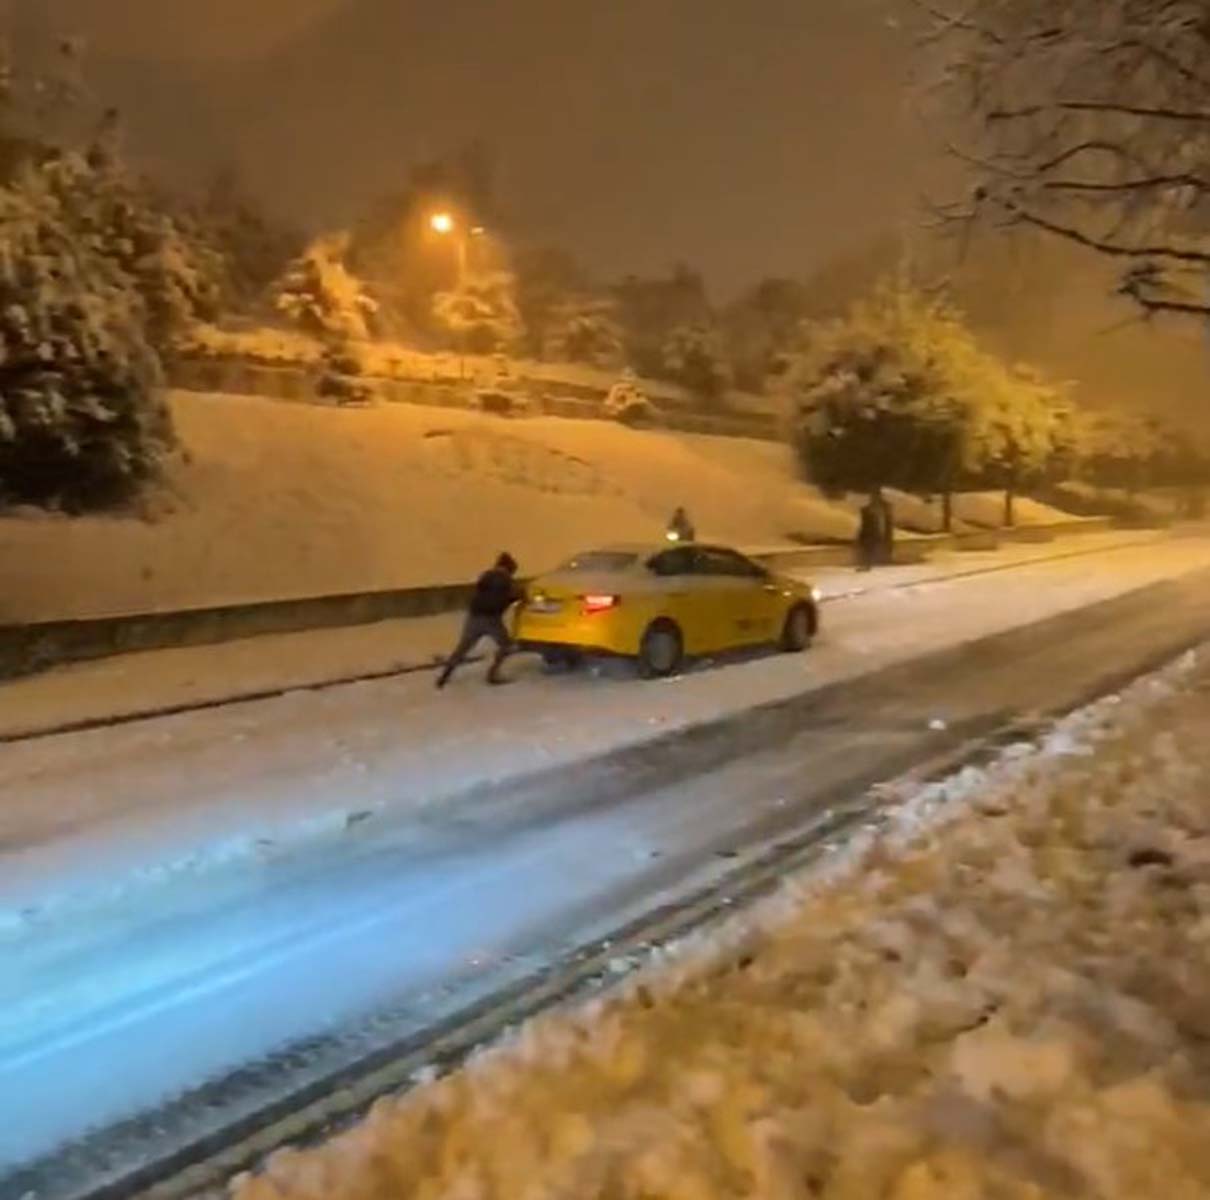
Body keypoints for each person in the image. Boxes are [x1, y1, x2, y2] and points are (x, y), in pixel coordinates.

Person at [436, 552, 524, 688]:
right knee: (506, 646)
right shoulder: (506, 580)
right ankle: (493, 674)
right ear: (509, 568)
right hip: (492, 620)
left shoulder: (486, 576)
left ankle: (444, 676)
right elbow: (509, 596)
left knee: (462, 648)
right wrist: (520, 596)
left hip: (474, 616)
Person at [855, 497, 880, 572]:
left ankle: (866, 565)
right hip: (868, 536)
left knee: (866, 551)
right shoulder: (871, 517)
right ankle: (866, 565)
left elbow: (866, 527)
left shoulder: (868, 517)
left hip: (868, 536)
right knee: (866, 551)